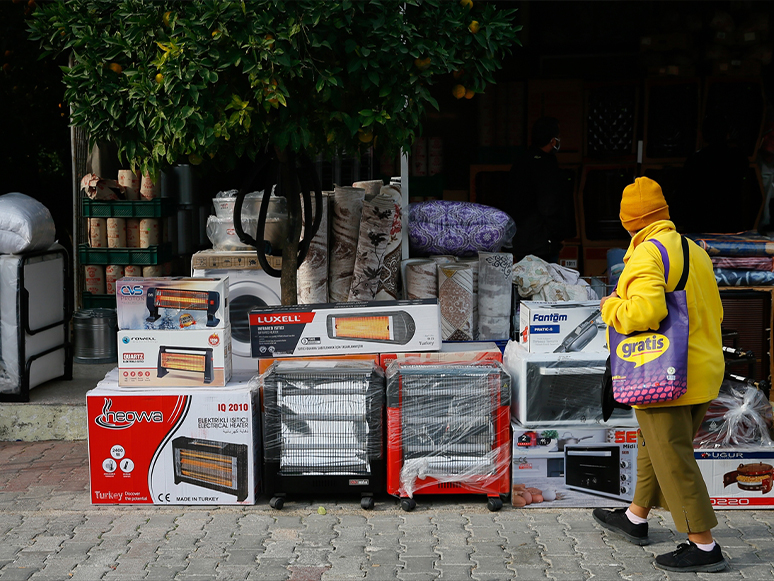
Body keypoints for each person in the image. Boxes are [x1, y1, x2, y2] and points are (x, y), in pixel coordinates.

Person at [592, 176, 727, 573]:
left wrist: (610, 306)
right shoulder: (694, 250)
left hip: (665, 375)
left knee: (674, 459)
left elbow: (644, 313)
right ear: (663, 213)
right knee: (657, 447)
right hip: (702, 369)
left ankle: (703, 545)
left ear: (628, 222)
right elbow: (715, 310)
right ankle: (636, 517)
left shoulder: (646, 254)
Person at [505, 116, 574, 264]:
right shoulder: (547, 165)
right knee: (544, 282)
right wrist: (559, 236)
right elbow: (549, 207)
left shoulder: (521, 161)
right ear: (552, 140)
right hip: (541, 242)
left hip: (520, 239)